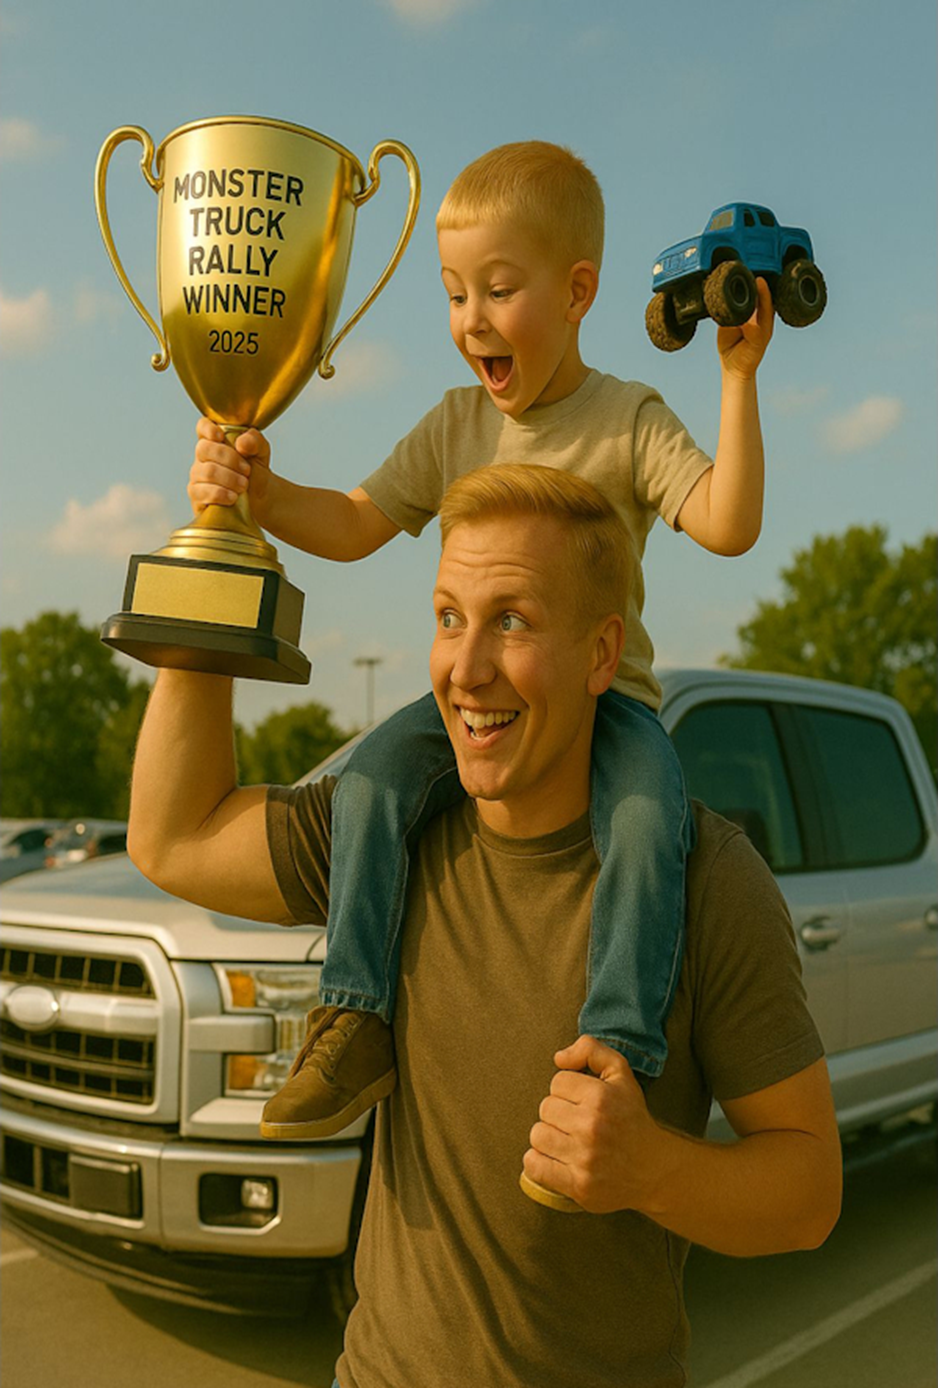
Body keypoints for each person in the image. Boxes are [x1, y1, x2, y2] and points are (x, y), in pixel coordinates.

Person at [127, 463, 842, 1388]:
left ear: (601, 654)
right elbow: (173, 835)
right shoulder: (383, 837)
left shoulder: (703, 878)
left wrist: (651, 1170)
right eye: (449, 617)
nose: (464, 670)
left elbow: (808, 1195)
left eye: (511, 620)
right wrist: (219, 538)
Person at [188, 141, 775, 1182]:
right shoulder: (458, 422)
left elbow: (725, 524)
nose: (470, 319)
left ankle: (615, 1051)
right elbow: (363, 521)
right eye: (455, 293)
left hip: (603, 707)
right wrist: (264, 497)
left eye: (497, 290)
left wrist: (736, 378)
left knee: (647, 822)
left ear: (578, 290)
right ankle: (355, 1013)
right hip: (472, 704)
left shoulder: (627, 417)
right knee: (367, 775)